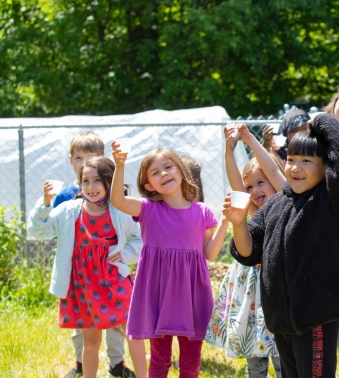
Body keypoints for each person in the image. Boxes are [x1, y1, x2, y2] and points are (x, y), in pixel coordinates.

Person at [224, 113, 339, 377]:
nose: (295, 167)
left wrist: (322, 120)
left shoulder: (334, 203)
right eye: (290, 160)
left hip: (315, 319)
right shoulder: (278, 203)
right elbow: (247, 253)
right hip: (281, 321)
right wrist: (239, 222)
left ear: (326, 167)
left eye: (306, 161)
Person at [28, 157, 147, 378]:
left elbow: (143, 237)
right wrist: (45, 203)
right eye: (85, 181)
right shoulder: (68, 211)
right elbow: (38, 231)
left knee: (134, 333)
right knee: (91, 341)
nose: (91, 187)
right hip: (85, 287)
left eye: (97, 181)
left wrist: (125, 254)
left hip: (115, 283)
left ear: (110, 182)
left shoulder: (119, 212)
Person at [110, 146, 224, 377]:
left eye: (168, 167)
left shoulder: (202, 211)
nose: (163, 173)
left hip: (191, 296)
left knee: (191, 363)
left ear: (181, 171)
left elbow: (209, 253)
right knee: (160, 362)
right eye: (155, 172)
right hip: (158, 296)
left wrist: (226, 222)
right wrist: (120, 165)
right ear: (148, 185)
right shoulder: (148, 209)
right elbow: (118, 201)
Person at [50, 132, 136, 378]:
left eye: (91, 157)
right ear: (71, 161)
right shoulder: (66, 195)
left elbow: (130, 226)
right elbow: (60, 227)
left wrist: (125, 254)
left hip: (106, 275)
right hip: (81, 274)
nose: (83, 163)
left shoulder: (109, 188)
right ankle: (80, 364)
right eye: (78, 158)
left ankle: (117, 364)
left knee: (116, 323)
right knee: (83, 327)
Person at [206, 123, 285, 377]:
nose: (254, 191)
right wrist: (229, 153)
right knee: (255, 355)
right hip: (252, 295)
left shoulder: (286, 208)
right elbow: (236, 184)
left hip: (278, 294)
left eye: (261, 182)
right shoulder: (251, 212)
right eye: (250, 187)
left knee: (283, 357)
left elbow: (276, 175)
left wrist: (250, 140)